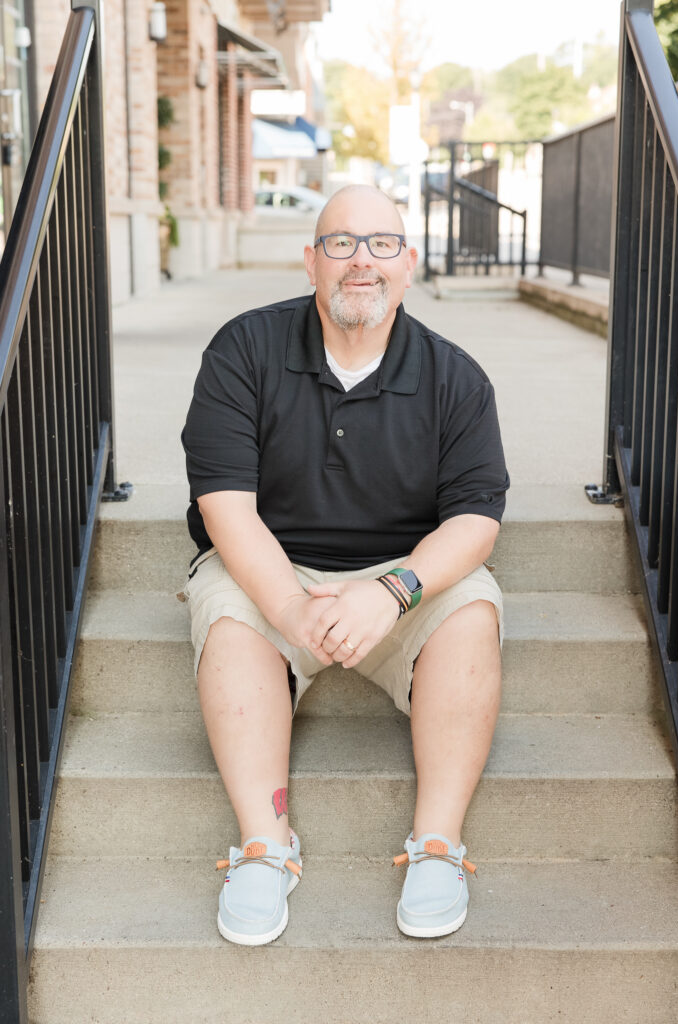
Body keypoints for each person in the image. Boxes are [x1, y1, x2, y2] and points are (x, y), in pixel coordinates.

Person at [180, 184, 509, 947]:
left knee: (471, 614)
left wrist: (390, 593)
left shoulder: (455, 375)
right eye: (340, 243)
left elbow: (474, 520)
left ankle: (436, 846)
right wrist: (294, 609)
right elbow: (227, 507)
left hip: (404, 572)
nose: (361, 260)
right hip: (271, 562)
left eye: (381, 244)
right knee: (231, 622)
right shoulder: (244, 350)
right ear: (310, 262)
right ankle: (264, 847)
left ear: (408, 263)